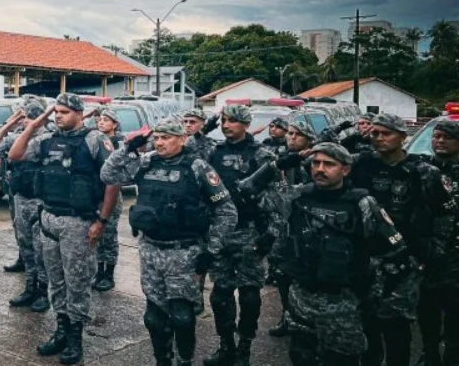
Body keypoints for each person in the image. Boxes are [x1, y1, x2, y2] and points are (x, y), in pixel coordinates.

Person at [102, 118, 238, 366]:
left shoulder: (198, 168)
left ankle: (184, 361)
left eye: (167, 137)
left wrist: (212, 250)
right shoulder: (146, 162)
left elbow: (227, 211)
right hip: (150, 250)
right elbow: (107, 174)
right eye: (157, 137)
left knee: (182, 317)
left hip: (183, 254)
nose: (160, 142)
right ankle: (162, 360)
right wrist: (127, 148)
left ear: (182, 139)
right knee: (154, 318)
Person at [276, 143, 412, 365]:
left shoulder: (363, 204)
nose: (320, 169)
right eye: (316, 163)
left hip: (344, 304)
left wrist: (371, 295)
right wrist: (282, 162)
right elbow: (254, 190)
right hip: (302, 298)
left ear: (346, 169)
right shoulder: (297, 196)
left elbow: (394, 252)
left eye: (329, 164)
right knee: (301, 356)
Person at [8, 93, 116, 365]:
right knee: (56, 282)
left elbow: (113, 181)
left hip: (78, 222)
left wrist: (102, 221)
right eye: (55, 111)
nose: (58, 116)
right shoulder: (46, 140)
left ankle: (75, 338)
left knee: (77, 282)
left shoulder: (94, 139)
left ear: (80, 114)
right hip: (50, 219)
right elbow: (15, 154)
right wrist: (34, 125)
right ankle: (61, 330)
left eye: (64, 112)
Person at [349, 113, 442, 366]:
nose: (378, 138)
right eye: (374, 133)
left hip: (404, 259)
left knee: (396, 325)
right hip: (367, 256)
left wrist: (428, 256)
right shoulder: (361, 164)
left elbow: (441, 216)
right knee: (367, 321)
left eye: (385, 133)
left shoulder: (423, 172)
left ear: (402, 137)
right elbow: (323, 159)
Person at [203, 104, 277, 366]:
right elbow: (187, 152)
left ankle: (244, 347)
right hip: (220, 232)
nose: (226, 125)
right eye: (223, 120)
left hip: (250, 231)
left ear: (245, 124)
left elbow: (281, 197)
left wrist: (270, 235)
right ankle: (226, 347)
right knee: (220, 294)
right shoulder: (213, 150)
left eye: (232, 121)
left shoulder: (262, 154)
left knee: (249, 295)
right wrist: (204, 128)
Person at [0, 103, 51, 312]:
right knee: (25, 243)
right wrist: (9, 124)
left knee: (40, 248)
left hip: (41, 200)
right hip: (21, 197)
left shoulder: (47, 139)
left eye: (28, 117)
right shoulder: (17, 136)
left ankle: (43, 291)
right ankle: (30, 287)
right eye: (23, 118)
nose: (25, 121)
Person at [264, 119, 316, 338]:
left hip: (307, 227)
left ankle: (310, 322)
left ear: (309, 140)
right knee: (282, 275)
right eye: (291, 133)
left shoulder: (316, 161)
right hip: (281, 227)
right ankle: (287, 317)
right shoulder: (281, 159)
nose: (292, 137)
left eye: (298, 134)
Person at [422, 120, 459, 366]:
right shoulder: (420, 169)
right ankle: (431, 355)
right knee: (426, 313)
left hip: (456, 256)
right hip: (427, 256)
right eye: (436, 136)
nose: (440, 141)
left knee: (455, 315)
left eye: (447, 137)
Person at [93, 107, 126, 292]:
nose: (101, 122)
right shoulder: (96, 141)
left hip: (112, 194)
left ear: (114, 124)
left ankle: (109, 273)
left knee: (110, 234)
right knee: (96, 235)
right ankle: (98, 271)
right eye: (100, 119)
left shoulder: (119, 143)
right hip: (96, 193)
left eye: (106, 120)